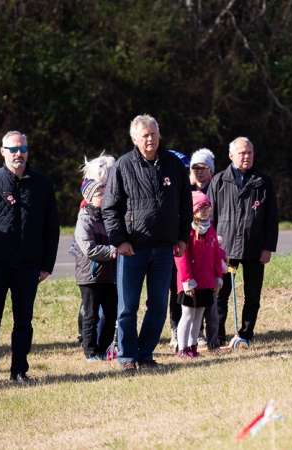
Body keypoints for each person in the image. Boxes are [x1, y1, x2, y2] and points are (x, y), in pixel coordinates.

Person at [0, 130, 59, 386]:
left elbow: (51, 228)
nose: (19, 154)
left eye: (23, 149)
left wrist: (47, 265)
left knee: (24, 322)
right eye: (14, 149)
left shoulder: (42, 184)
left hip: (29, 267)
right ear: (3, 151)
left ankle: (19, 371)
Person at [102, 115, 192, 371]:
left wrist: (183, 237)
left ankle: (145, 353)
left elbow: (186, 204)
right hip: (132, 250)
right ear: (134, 139)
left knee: (159, 306)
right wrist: (119, 241)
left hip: (165, 249)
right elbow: (110, 208)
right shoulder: (123, 166)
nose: (150, 139)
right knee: (127, 307)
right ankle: (127, 356)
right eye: (145, 135)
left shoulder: (174, 164)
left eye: (153, 134)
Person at [209, 137, 279, 345]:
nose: (246, 156)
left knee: (253, 296)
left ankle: (246, 334)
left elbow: (271, 218)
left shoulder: (263, 181)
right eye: (242, 153)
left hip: (255, 248)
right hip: (225, 249)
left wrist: (268, 247)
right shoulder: (219, 181)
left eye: (249, 152)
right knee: (220, 295)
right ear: (231, 156)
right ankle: (217, 336)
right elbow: (209, 217)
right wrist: (213, 249)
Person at [73, 180, 117, 361]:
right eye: (100, 194)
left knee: (111, 315)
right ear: (88, 198)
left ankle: (104, 349)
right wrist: (114, 251)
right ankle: (90, 352)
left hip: (109, 276)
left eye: (106, 194)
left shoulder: (109, 217)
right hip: (90, 277)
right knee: (91, 316)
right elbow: (89, 249)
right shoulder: (84, 220)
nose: (104, 197)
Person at [174, 191, 222, 358]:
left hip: (206, 282)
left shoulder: (211, 231)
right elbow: (181, 258)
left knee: (199, 315)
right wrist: (187, 280)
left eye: (207, 207)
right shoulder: (187, 232)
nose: (205, 210)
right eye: (201, 207)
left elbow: (216, 256)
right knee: (187, 315)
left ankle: (192, 347)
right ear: (193, 210)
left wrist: (218, 278)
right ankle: (182, 348)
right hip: (190, 282)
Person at [166, 149, 190, 352]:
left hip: (189, 250)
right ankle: (175, 330)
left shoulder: (191, 193)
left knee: (185, 291)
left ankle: (193, 331)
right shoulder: (165, 188)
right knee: (172, 292)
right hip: (167, 248)